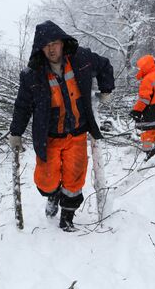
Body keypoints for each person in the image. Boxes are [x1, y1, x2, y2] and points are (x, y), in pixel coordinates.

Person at [9, 20, 115, 231]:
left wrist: (106, 88)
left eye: (54, 42)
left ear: (62, 42)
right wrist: (16, 132)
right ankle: (53, 196)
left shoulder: (81, 59)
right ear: (40, 48)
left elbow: (104, 65)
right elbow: (22, 106)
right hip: (49, 137)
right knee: (46, 180)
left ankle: (67, 217)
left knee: (74, 180)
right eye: (46, 44)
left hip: (77, 133)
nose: (51, 48)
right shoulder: (32, 75)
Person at [129, 55, 155, 161]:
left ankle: (148, 153)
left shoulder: (147, 79)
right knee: (154, 130)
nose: (138, 70)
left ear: (145, 66)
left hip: (150, 110)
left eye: (139, 67)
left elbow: (144, 98)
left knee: (146, 132)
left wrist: (137, 110)